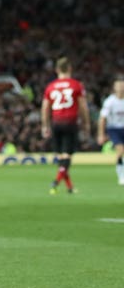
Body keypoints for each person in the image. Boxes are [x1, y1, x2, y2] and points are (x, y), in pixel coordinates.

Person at [41, 56, 90, 194]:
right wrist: (86, 124)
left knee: (62, 156)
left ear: (57, 70)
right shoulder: (76, 85)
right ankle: (56, 182)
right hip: (70, 122)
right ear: (70, 68)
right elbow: (83, 107)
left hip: (56, 122)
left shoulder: (50, 86)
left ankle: (69, 187)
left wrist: (45, 125)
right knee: (67, 155)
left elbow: (45, 108)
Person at [97, 78, 124, 186]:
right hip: (114, 129)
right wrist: (101, 134)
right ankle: (121, 175)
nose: (121, 88)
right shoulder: (110, 101)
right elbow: (102, 118)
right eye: (119, 86)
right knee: (120, 150)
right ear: (114, 88)